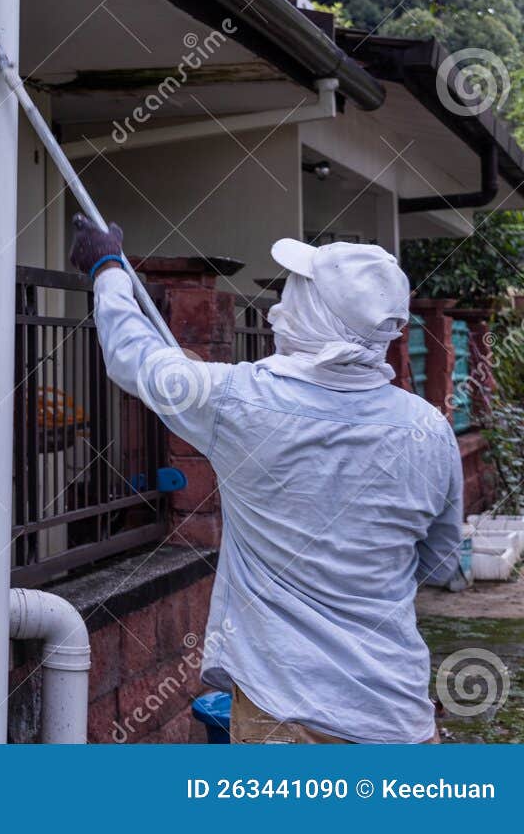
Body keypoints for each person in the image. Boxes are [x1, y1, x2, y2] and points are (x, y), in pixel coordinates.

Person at [68, 217, 463, 744]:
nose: (284, 303)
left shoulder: (240, 402)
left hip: (284, 719)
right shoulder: (429, 429)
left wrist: (107, 267)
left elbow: (133, 357)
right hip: (396, 718)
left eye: (298, 292)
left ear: (315, 315)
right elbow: (440, 564)